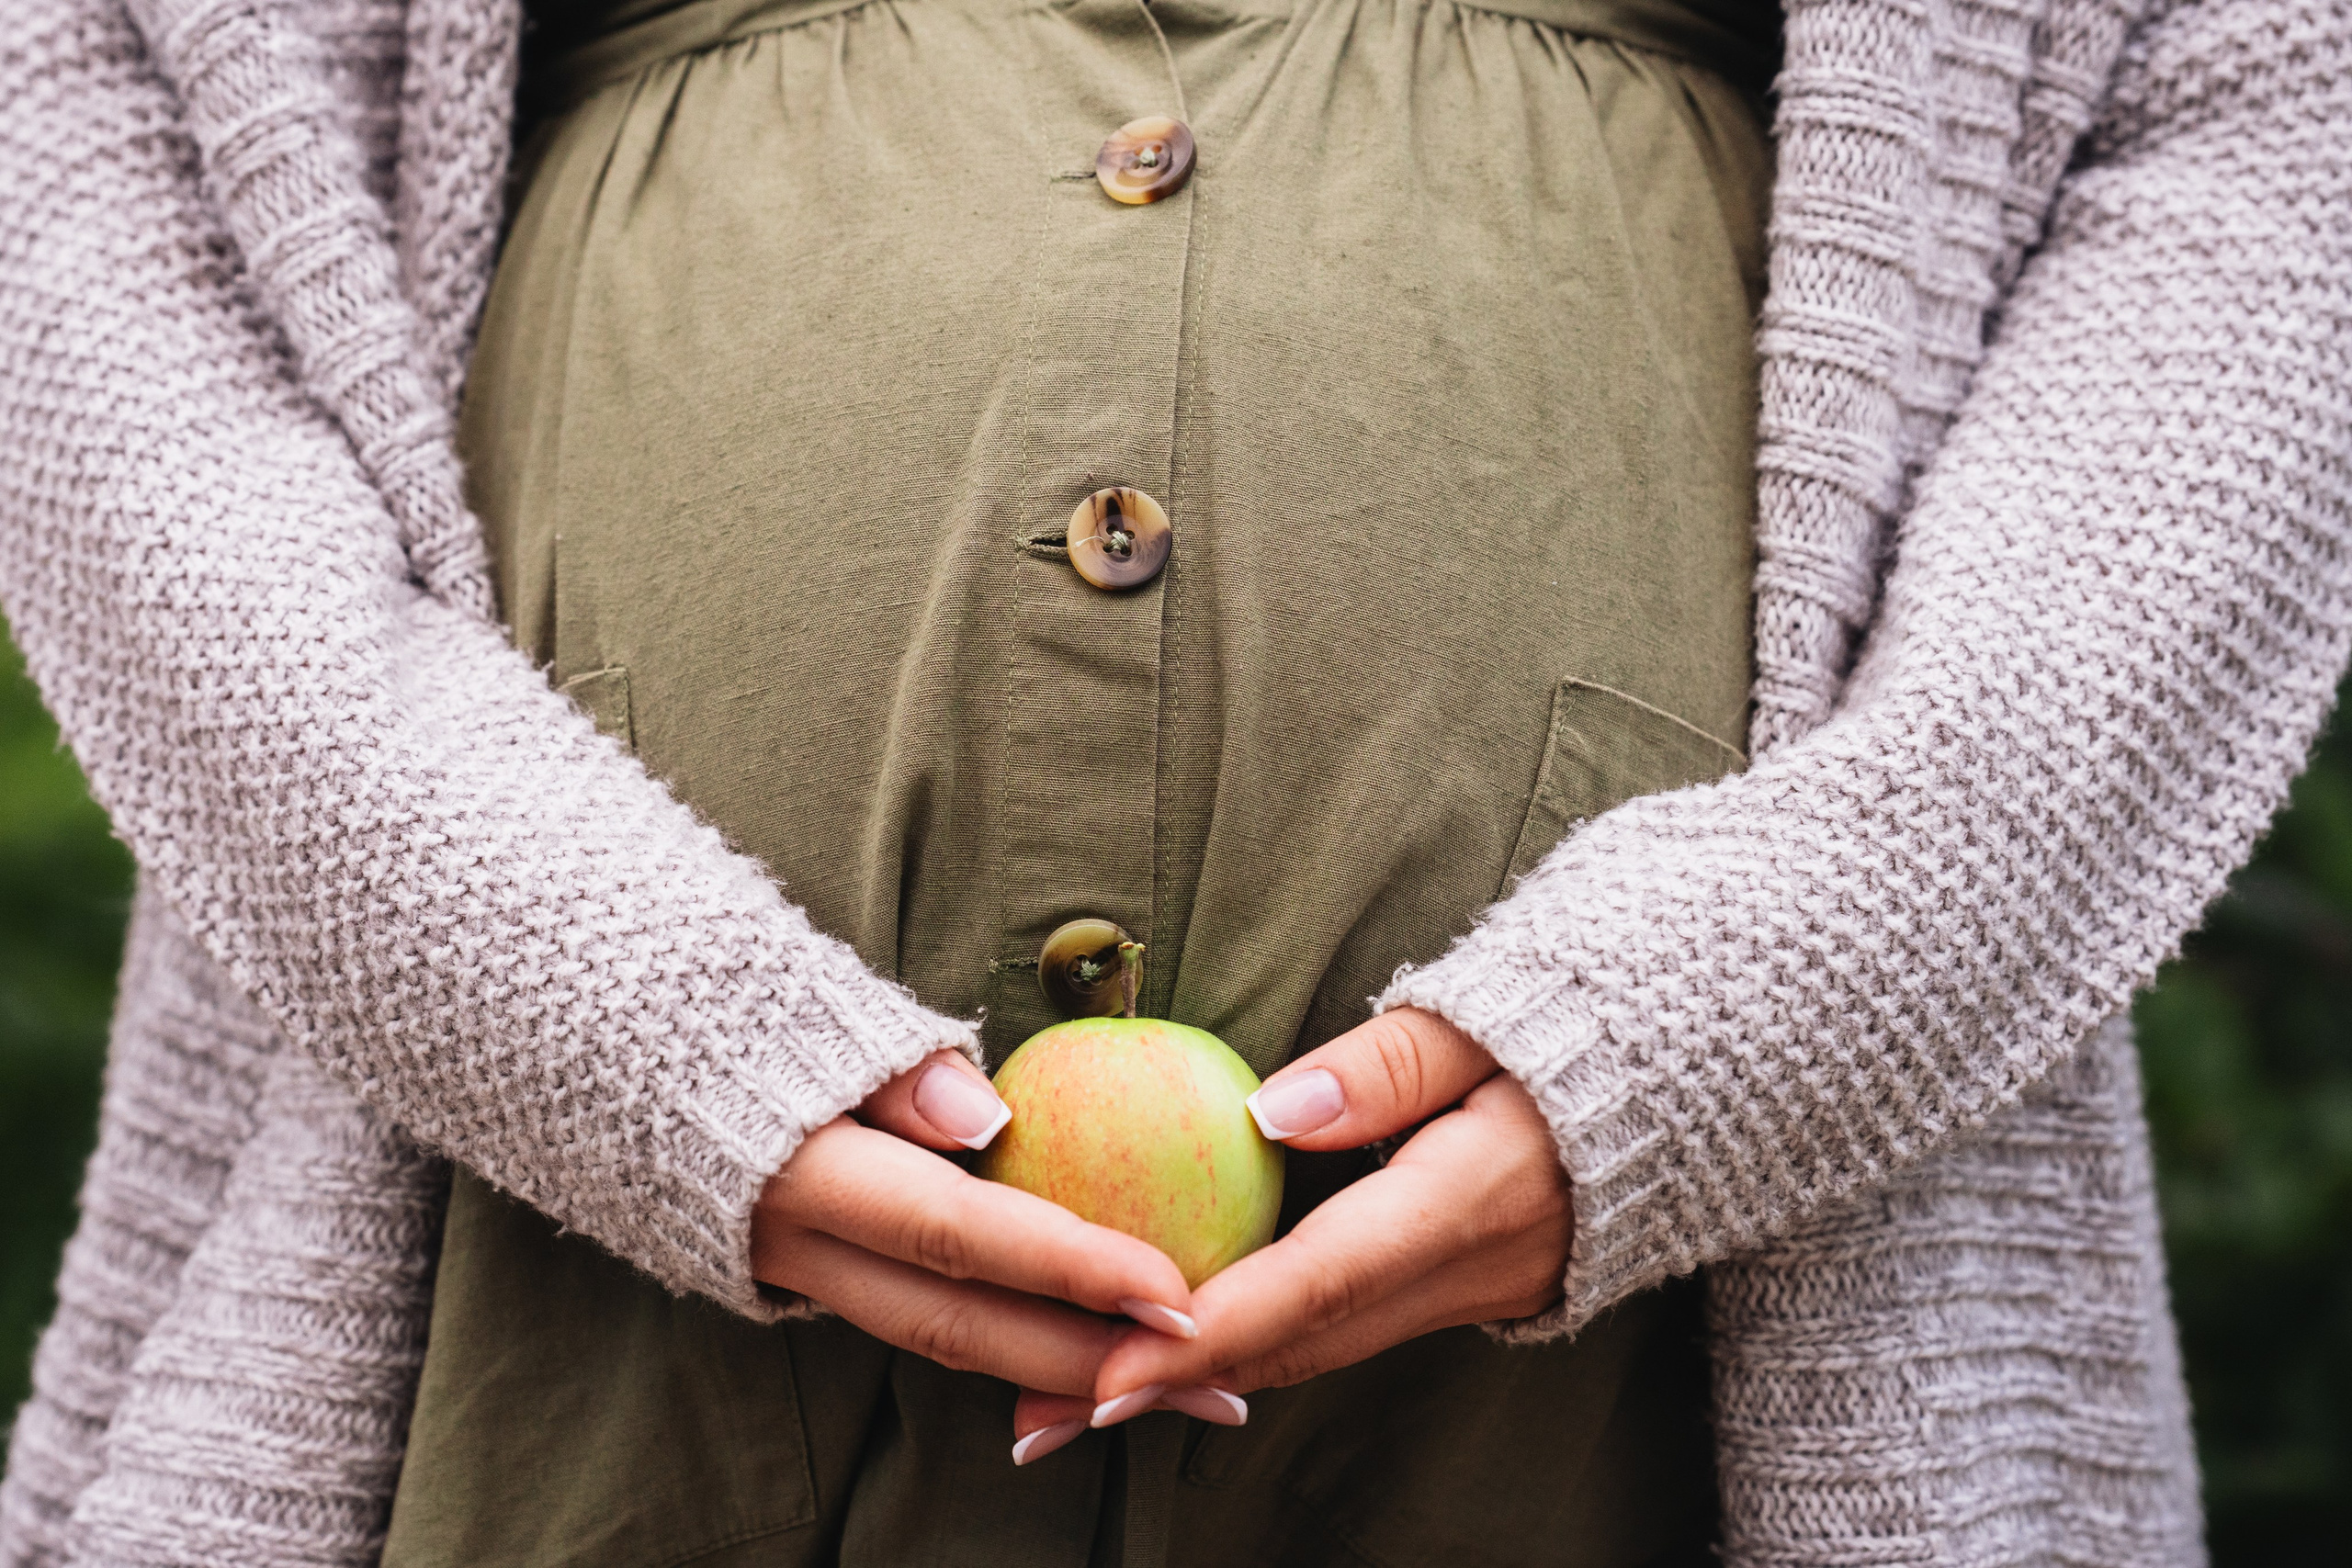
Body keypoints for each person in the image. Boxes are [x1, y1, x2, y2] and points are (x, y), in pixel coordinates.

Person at [0, 0, 2344, 1562]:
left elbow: (2262, 124)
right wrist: (552, 983)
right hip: (551, 1283)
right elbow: (108, 181)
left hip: (1655, 1346)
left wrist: (1808, 974)